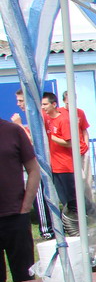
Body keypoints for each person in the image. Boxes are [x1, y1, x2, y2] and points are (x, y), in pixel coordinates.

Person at [42, 91, 89, 235]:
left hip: (66, 166)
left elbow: (70, 142)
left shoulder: (63, 120)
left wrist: (53, 137)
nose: (43, 107)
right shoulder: (48, 118)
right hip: (55, 166)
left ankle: (84, 225)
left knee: (73, 199)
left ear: (53, 104)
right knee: (65, 200)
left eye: (45, 104)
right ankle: (74, 228)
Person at [0, 117, 41, 282]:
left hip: (16, 216)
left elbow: (34, 169)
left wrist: (26, 206)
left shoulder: (13, 131)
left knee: (25, 279)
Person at [11, 88, 53, 239]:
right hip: (45, 162)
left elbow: (32, 142)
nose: (19, 104)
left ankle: (46, 230)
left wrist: (18, 125)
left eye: (21, 101)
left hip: (42, 164)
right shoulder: (35, 117)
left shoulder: (37, 117)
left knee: (39, 195)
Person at [62, 91, 96, 216]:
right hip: (69, 153)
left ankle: (91, 208)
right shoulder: (60, 113)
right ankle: (79, 208)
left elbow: (84, 130)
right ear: (64, 101)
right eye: (68, 102)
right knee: (78, 180)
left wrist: (86, 145)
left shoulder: (80, 112)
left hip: (82, 150)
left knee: (87, 180)